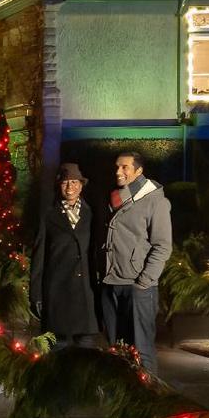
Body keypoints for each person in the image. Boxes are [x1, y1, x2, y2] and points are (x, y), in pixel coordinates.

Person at [99, 150, 173, 374]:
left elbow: (163, 245)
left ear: (139, 171)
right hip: (111, 282)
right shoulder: (116, 197)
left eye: (125, 167)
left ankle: (149, 398)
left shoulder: (155, 202)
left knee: (141, 349)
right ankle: (123, 397)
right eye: (117, 167)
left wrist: (144, 281)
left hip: (138, 286)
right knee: (117, 348)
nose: (118, 171)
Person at [27, 162, 99, 347]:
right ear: (59, 186)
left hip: (85, 294)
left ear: (81, 185)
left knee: (85, 355)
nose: (70, 187)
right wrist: (36, 294)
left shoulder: (91, 214)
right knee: (58, 351)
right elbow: (39, 256)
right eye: (65, 182)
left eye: (74, 182)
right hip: (58, 293)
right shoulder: (49, 215)